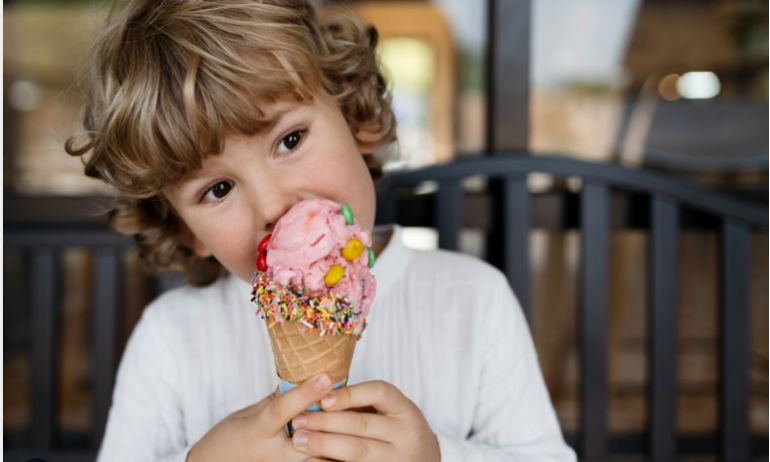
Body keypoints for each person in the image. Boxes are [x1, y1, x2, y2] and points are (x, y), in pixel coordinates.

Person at [66, 1, 576, 461]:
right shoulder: (169, 338)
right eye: (218, 189)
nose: (273, 203)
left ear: (357, 121)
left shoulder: (474, 301)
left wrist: (439, 458)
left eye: (289, 140)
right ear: (185, 230)